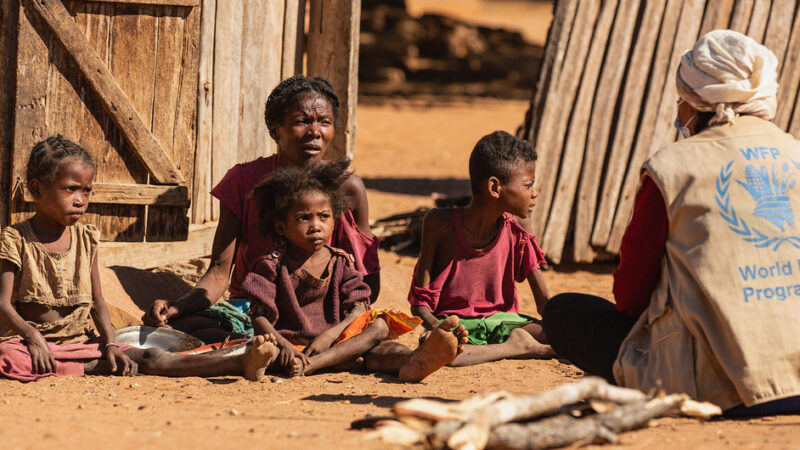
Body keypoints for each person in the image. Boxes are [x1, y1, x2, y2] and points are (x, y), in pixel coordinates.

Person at [543, 30, 800, 415]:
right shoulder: (794, 151)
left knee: (563, 313)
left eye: (682, 100)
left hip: (724, 390)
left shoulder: (671, 168)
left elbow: (630, 295)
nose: (678, 111)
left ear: (697, 104)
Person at [0, 135, 280, 382]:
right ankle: (90, 367)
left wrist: (110, 343)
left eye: (86, 190)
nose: (80, 199)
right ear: (37, 190)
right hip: (27, 342)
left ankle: (238, 361)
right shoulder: (15, 239)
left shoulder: (86, 239)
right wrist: (32, 337)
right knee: (9, 359)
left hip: (82, 342)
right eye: (70, 189)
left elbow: (98, 303)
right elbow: (3, 303)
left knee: (152, 356)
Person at [144, 76, 381, 343]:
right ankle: (264, 347)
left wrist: (339, 315)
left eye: (324, 122)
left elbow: (368, 280)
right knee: (182, 326)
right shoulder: (243, 181)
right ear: (274, 129)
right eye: (302, 121)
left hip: (324, 312)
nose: (315, 131)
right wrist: (179, 306)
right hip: (254, 310)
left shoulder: (347, 188)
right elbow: (220, 271)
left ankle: (261, 350)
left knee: (376, 333)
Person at [242, 161, 469, 380]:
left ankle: (416, 360)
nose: (316, 226)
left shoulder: (340, 262)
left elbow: (358, 307)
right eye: (303, 218)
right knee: (263, 351)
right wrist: (283, 345)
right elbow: (258, 316)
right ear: (282, 227)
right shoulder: (272, 265)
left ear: (334, 220)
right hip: (293, 348)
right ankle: (311, 364)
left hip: (340, 342)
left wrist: (330, 334)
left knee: (378, 329)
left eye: (323, 217)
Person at [408, 131, 555, 366]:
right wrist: (440, 329)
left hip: (505, 323)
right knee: (444, 348)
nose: (534, 193)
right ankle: (520, 347)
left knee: (553, 334)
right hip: (457, 324)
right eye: (528, 185)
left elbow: (543, 300)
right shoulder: (438, 223)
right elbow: (419, 304)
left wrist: (566, 331)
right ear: (494, 187)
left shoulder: (518, 226)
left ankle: (521, 344)